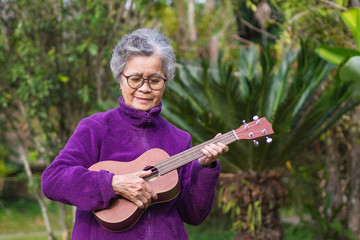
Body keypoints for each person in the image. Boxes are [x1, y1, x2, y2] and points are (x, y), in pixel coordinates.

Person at [42, 28, 229, 240]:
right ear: (120, 78)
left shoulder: (180, 139)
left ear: (165, 81)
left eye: (155, 80)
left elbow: (194, 214)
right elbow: (53, 180)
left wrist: (204, 168)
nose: (145, 88)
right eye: (135, 78)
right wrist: (111, 184)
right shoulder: (95, 128)